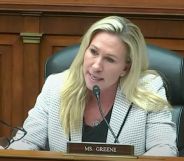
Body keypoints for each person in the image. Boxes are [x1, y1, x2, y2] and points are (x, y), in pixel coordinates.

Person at [2, 16, 177, 156]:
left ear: (125, 68)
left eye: (109, 59)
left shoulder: (148, 88)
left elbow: (164, 148)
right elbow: (28, 142)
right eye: (93, 52)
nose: (96, 66)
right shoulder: (56, 86)